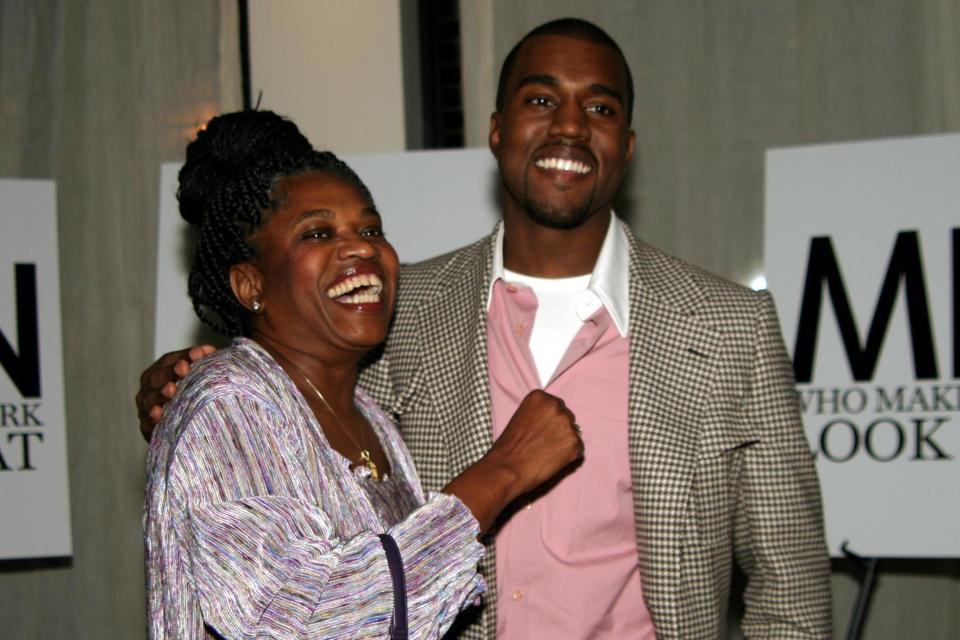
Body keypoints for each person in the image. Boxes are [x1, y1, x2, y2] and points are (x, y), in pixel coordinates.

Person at [139, 19, 832, 639]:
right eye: (541, 100)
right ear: (498, 130)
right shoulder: (393, 313)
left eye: (599, 106)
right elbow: (283, 405)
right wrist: (193, 381)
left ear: (627, 145)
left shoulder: (728, 327)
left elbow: (792, 587)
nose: (568, 126)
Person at [143, 110, 583, 639]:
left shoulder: (370, 415)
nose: (361, 246)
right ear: (249, 284)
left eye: (370, 228)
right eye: (318, 233)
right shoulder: (229, 404)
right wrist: (503, 471)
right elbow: (308, 620)